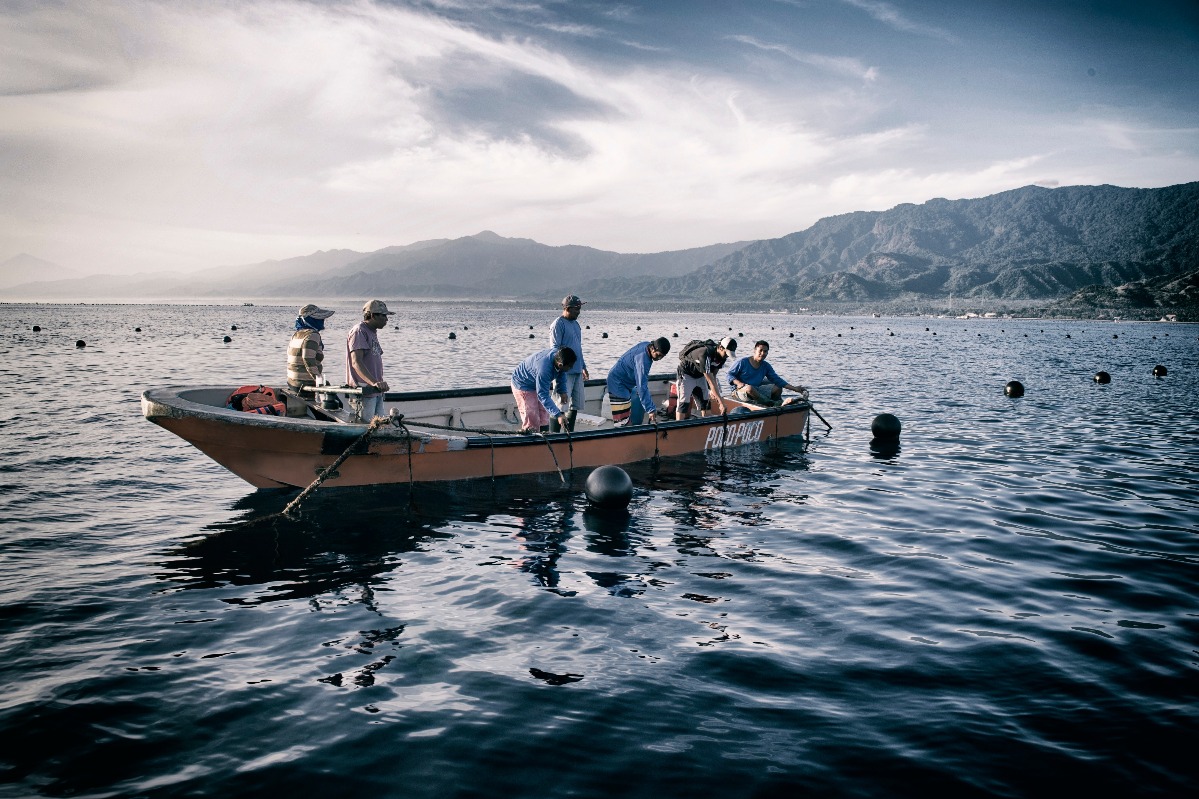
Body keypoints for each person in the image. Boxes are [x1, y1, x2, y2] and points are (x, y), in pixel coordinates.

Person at [345, 299, 393, 422]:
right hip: (364, 391)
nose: (386, 319)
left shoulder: (372, 332)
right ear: (372, 315)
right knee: (365, 427)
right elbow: (356, 362)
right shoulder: (359, 331)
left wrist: (377, 384)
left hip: (375, 391)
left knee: (379, 425)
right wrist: (374, 382)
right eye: (383, 316)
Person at [605, 337, 671, 426]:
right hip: (618, 382)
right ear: (652, 348)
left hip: (627, 382)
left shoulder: (646, 344)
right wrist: (650, 409)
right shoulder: (643, 361)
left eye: (662, 357)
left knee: (628, 418)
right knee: (622, 423)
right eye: (658, 355)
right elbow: (642, 387)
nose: (659, 359)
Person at [511, 346, 578, 432]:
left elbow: (561, 372)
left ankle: (545, 438)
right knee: (532, 417)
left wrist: (562, 391)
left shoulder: (558, 357)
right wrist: (558, 415)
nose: (571, 369)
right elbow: (543, 395)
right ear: (560, 364)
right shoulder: (544, 370)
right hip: (522, 384)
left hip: (536, 381)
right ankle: (531, 439)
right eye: (570, 367)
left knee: (544, 415)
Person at [549, 294, 589, 432]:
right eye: (576, 308)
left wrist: (583, 366)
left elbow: (579, 347)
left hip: (577, 370)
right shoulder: (558, 325)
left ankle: (569, 434)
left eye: (579, 308)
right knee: (560, 405)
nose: (579, 311)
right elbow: (555, 351)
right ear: (567, 308)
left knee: (575, 405)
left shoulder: (576, 325)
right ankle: (554, 435)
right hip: (565, 373)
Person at [673, 336, 736, 420]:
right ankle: (678, 427)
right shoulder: (705, 354)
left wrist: (713, 392)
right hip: (686, 374)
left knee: (705, 403)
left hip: (700, 375)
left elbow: (713, 376)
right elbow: (710, 381)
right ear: (720, 347)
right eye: (726, 353)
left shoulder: (722, 357)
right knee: (684, 403)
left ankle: (706, 424)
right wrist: (721, 403)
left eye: (729, 355)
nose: (727, 356)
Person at [727, 340, 807, 405]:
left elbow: (777, 380)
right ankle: (770, 404)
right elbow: (729, 375)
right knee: (749, 388)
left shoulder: (766, 366)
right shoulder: (742, 362)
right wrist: (738, 383)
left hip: (756, 389)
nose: (762, 353)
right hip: (739, 391)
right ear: (754, 351)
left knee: (778, 388)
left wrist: (795, 388)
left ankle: (777, 405)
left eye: (765, 351)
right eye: (760, 350)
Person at [286, 303, 335, 389]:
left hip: (292, 382)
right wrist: (319, 380)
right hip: (304, 384)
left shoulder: (296, 334)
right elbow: (308, 359)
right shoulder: (312, 335)